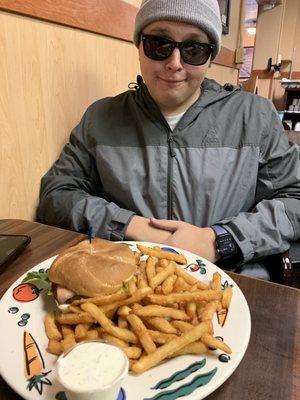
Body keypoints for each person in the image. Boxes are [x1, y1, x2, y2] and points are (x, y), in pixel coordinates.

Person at [37, 0, 300, 279]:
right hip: (128, 286)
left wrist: (220, 239)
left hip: (232, 282)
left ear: (210, 56)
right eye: (159, 44)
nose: (174, 64)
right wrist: (128, 225)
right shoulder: (100, 118)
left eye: (194, 49)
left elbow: (295, 199)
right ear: (139, 46)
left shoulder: (253, 116)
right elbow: (57, 195)